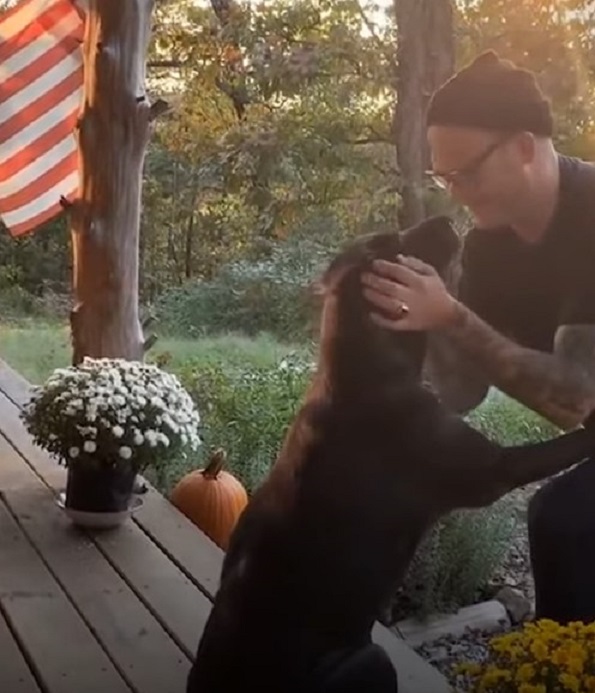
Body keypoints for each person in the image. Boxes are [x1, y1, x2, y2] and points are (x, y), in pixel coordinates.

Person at [361, 49, 595, 625]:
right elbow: (461, 391)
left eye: (467, 171)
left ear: (522, 147)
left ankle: (562, 667)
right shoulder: (489, 249)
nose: (457, 191)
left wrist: (450, 318)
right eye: (445, 177)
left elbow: (577, 395)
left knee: (563, 520)